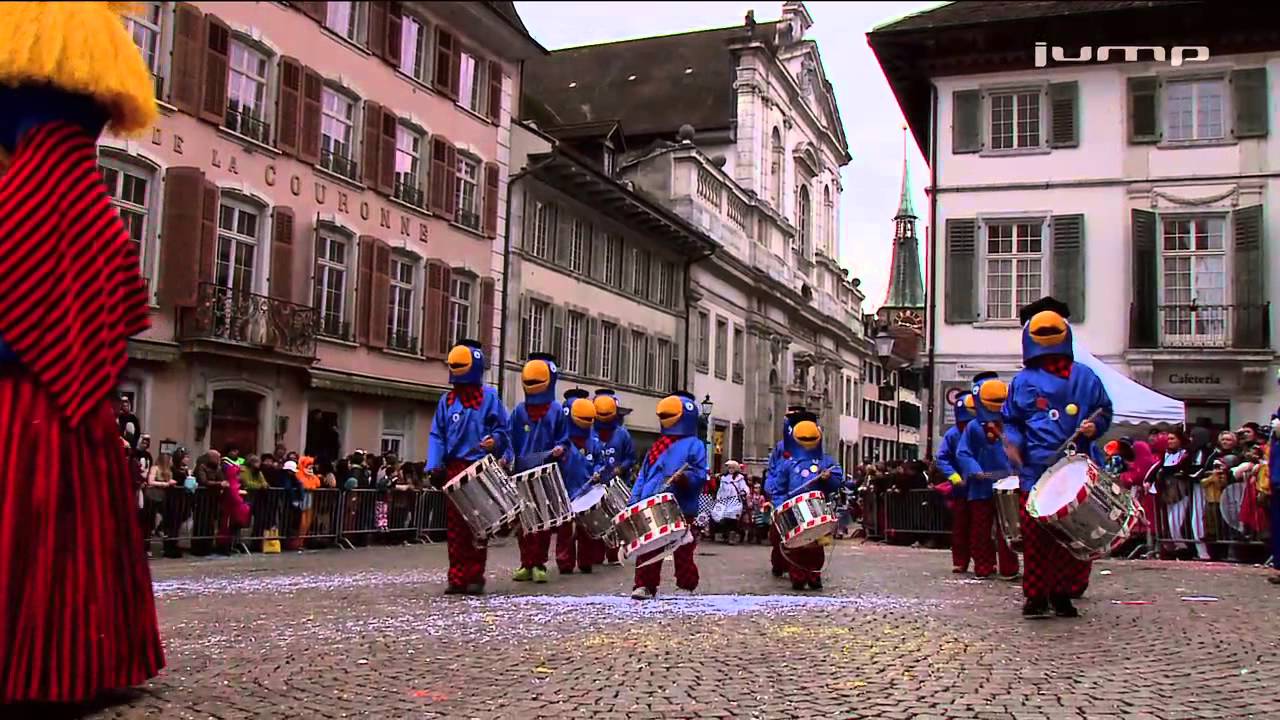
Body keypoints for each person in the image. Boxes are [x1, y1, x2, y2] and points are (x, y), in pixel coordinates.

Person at [0, 4, 166, 700]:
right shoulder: (96, 203)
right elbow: (122, 305)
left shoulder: (21, 190)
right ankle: (83, 660)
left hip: (18, 409)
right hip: (83, 420)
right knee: (82, 531)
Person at [1002, 297, 1112, 618]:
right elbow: (1012, 420)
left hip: (1075, 469)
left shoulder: (1086, 377)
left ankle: (1062, 594)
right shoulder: (1022, 381)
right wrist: (1014, 444)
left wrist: (1095, 426)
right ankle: (1036, 595)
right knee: (1036, 538)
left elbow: (1104, 409)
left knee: (1071, 536)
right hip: (1036, 471)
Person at [427, 340, 510, 596]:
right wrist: (435, 464)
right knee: (455, 528)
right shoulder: (447, 401)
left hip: (479, 468)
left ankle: (475, 576)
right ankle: (457, 577)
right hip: (454, 469)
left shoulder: (490, 398)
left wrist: (494, 441)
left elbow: (503, 429)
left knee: (478, 525)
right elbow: (437, 434)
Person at [627, 392, 709, 600]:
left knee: (683, 547)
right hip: (652, 502)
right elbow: (644, 475)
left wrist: (685, 479)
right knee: (649, 547)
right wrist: (634, 501)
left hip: (680, 505)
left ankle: (686, 583)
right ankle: (644, 585)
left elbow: (700, 473)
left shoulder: (695, 445)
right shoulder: (657, 445)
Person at [763, 411, 843, 591]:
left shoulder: (825, 461)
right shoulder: (787, 463)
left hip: (816, 508)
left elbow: (837, 479)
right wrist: (780, 506)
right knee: (797, 545)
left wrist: (828, 478)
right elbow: (778, 487)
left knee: (816, 546)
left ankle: (814, 576)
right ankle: (798, 576)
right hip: (794, 509)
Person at [507, 352, 569, 584]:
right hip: (522, 472)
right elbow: (509, 439)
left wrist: (560, 448)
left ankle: (539, 563)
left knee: (542, 520)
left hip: (545, 473)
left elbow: (565, 438)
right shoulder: (519, 411)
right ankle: (526, 563)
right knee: (524, 521)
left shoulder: (556, 410)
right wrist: (508, 457)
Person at [954, 373, 1020, 581]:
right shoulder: (974, 427)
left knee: (1007, 529)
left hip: (1006, 485)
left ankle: (1009, 567)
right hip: (981, 485)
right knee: (980, 529)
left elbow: (1019, 449)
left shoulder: (1011, 425)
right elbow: (963, 452)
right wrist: (975, 470)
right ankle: (984, 565)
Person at [556, 389, 607, 574]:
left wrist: (597, 472)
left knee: (586, 528)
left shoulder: (593, 442)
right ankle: (565, 562)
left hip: (587, 492)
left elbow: (601, 462)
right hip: (566, 490)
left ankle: (586, 560)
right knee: (565, 528)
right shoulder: (564, 441)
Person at [593, 388, 634, 565]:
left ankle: (613, 554)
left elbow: (631, 457)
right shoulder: (590, 433)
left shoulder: (623, 434)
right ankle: (594, 555)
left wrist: (621, 468)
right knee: (595, 522)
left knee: (615, 522)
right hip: (595, 487)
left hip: (615, 485)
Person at [935, 392, 974, 573]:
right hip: (961, 489)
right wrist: (955, 477)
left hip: (980, 486)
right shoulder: (952, 435)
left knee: (981, 528)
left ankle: (985, 561)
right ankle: (960, 561)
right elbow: (942, 458)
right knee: (960, 528)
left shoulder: (980, 431)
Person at [712, 460, 749, 544]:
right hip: (725, 501)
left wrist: (744, 492)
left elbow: (744, 487)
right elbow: (721, 490)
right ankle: (726, 534)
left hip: (735, 500)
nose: (731, 469)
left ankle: (733, 536)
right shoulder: (724, 478)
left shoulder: (740, 478)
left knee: (733, 518)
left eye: (732, 468)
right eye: (729, 468)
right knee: (724, 518)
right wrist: (718, 499)